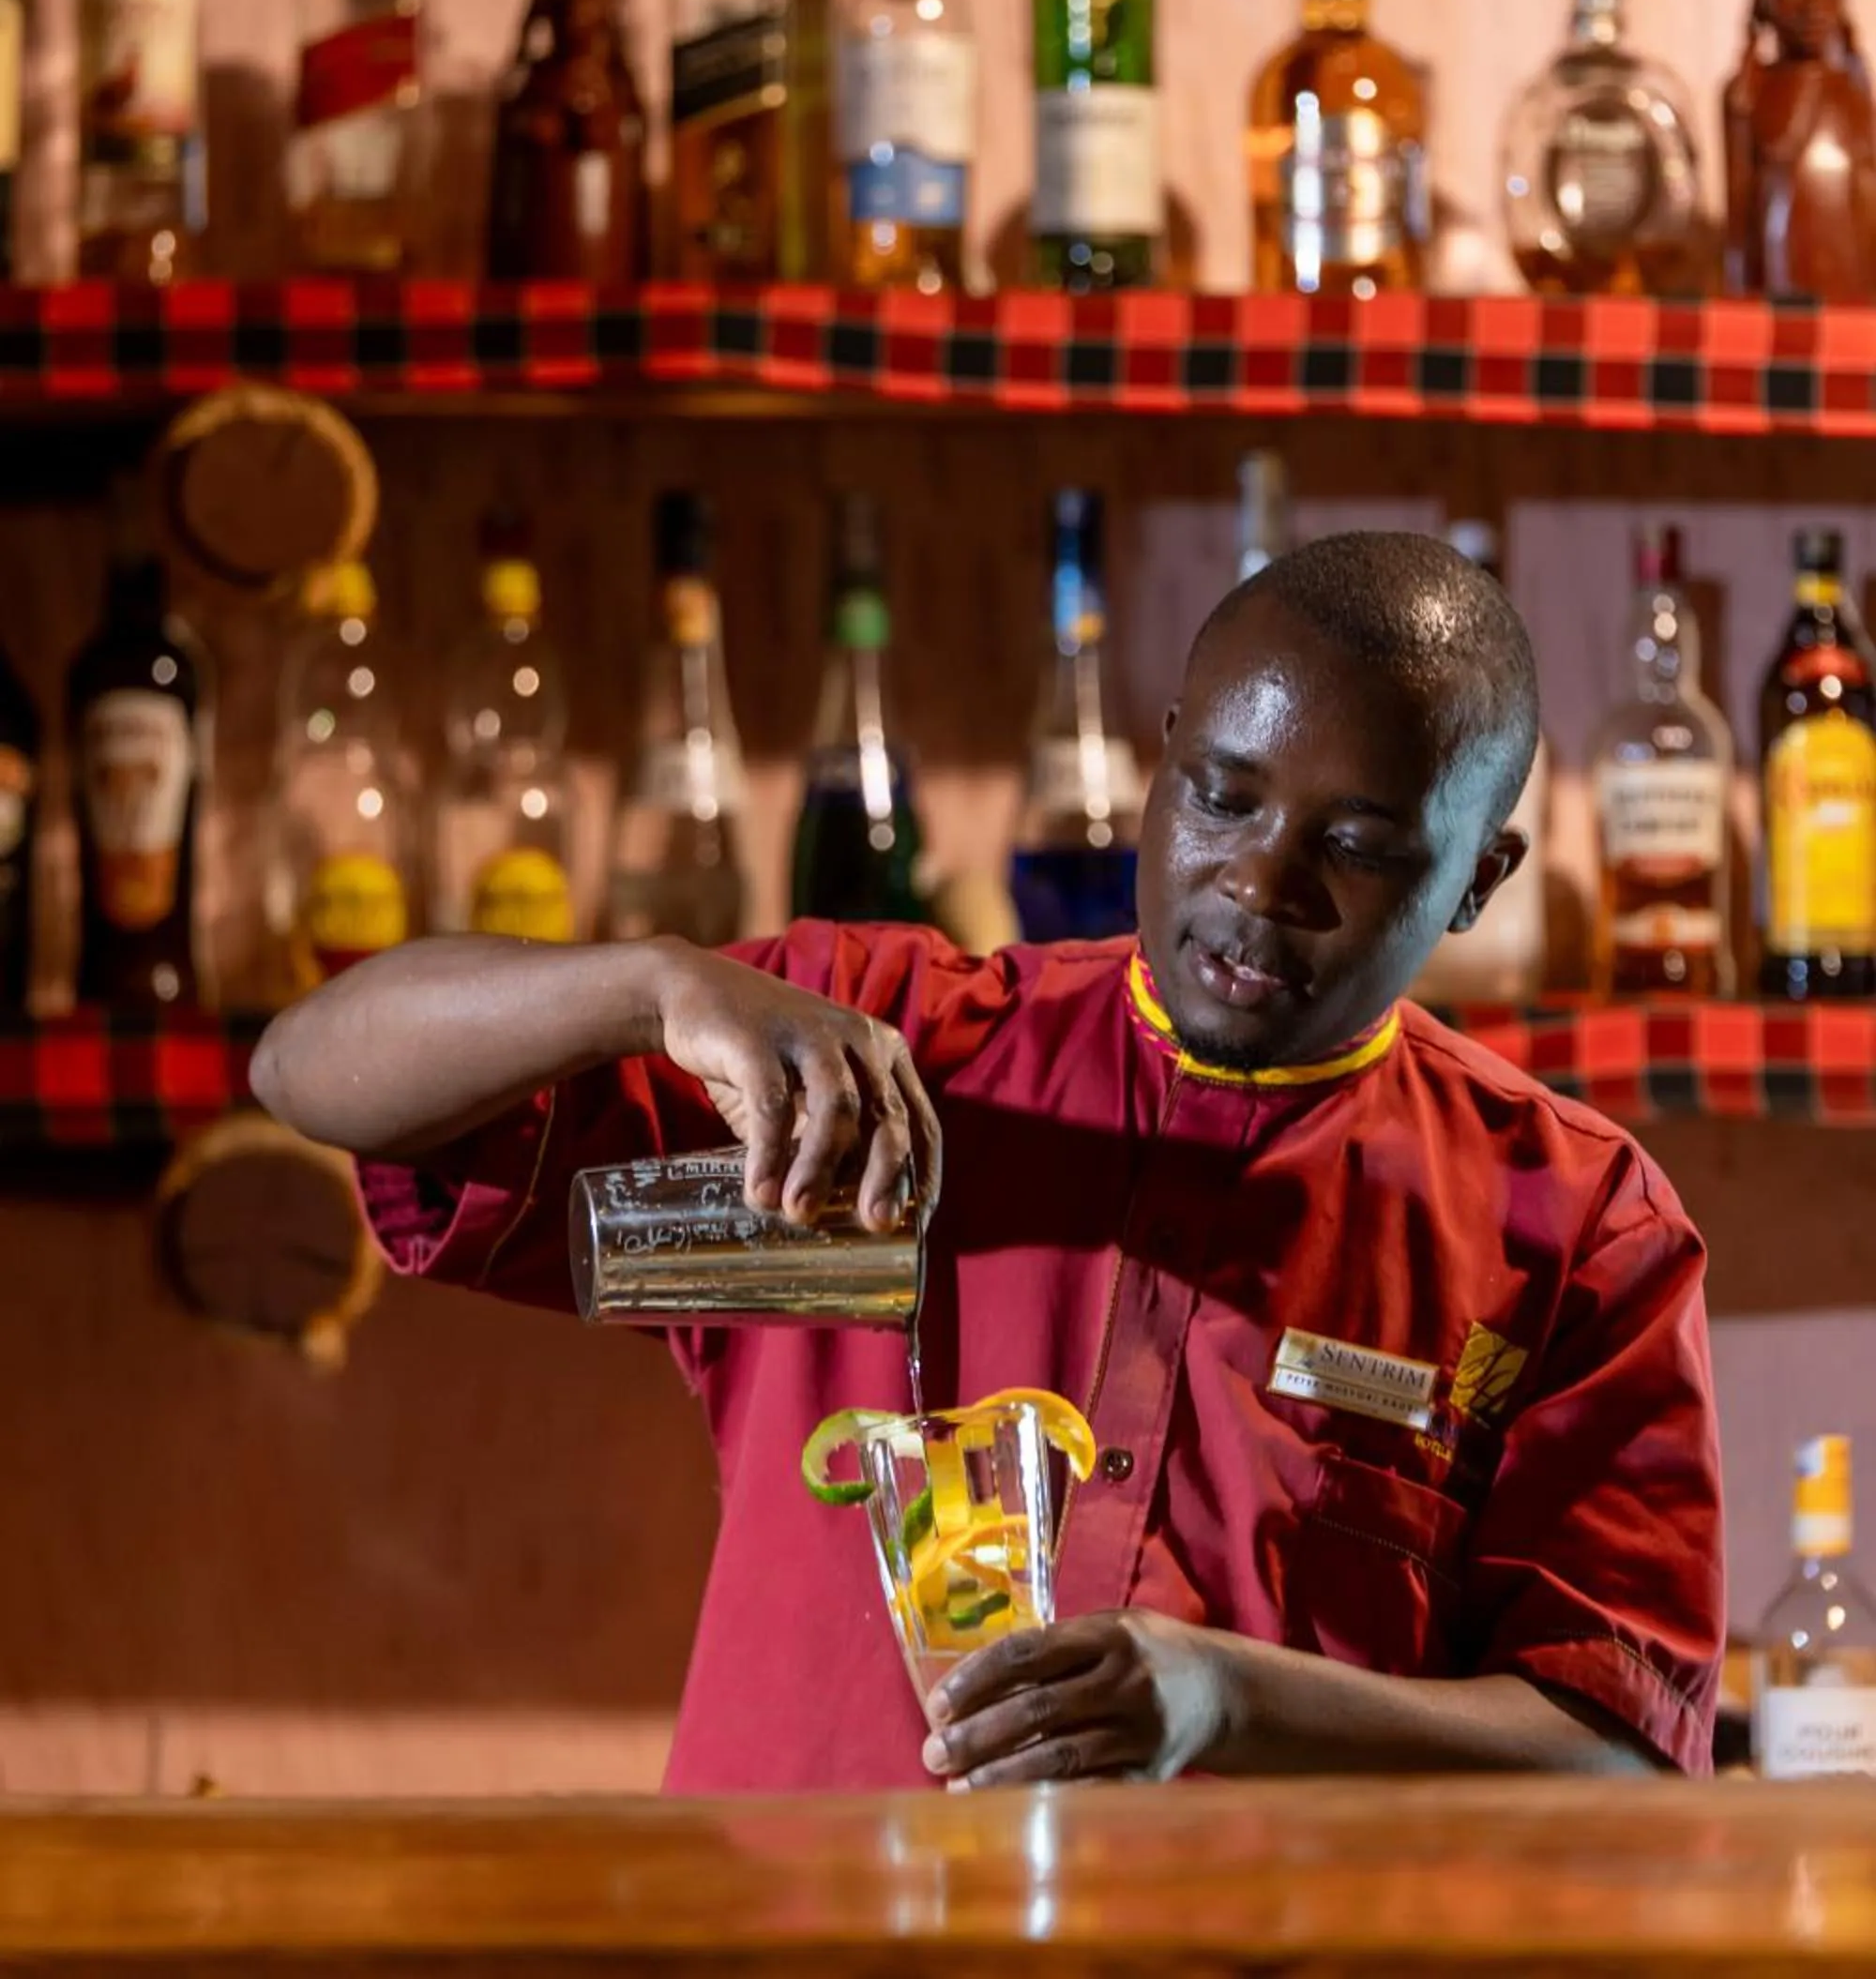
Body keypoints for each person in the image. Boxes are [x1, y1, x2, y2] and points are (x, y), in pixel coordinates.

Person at [253, 530, 1724, 1794]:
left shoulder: (1575, 1224)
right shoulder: (868, 1051)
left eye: (1356, 844)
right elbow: (316, 1072)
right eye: (1222, 796)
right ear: (1158, 765)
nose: (1260, 884)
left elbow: (1619, 1745)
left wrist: (1231, 1702)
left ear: (1477, 878)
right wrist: (650, 983)